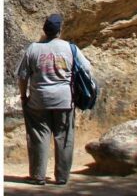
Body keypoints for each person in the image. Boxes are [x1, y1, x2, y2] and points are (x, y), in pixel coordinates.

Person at [17, 14, 93, 186]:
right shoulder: (70, 48)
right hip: (64, 99)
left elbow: (22, 76)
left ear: (44, 30)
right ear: (60, 30)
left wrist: (24, 96)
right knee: (64, 136)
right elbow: (87, 68)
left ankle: (38, 176)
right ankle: (62, 177)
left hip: (39, 99)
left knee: (38, 136)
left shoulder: (33, 49)